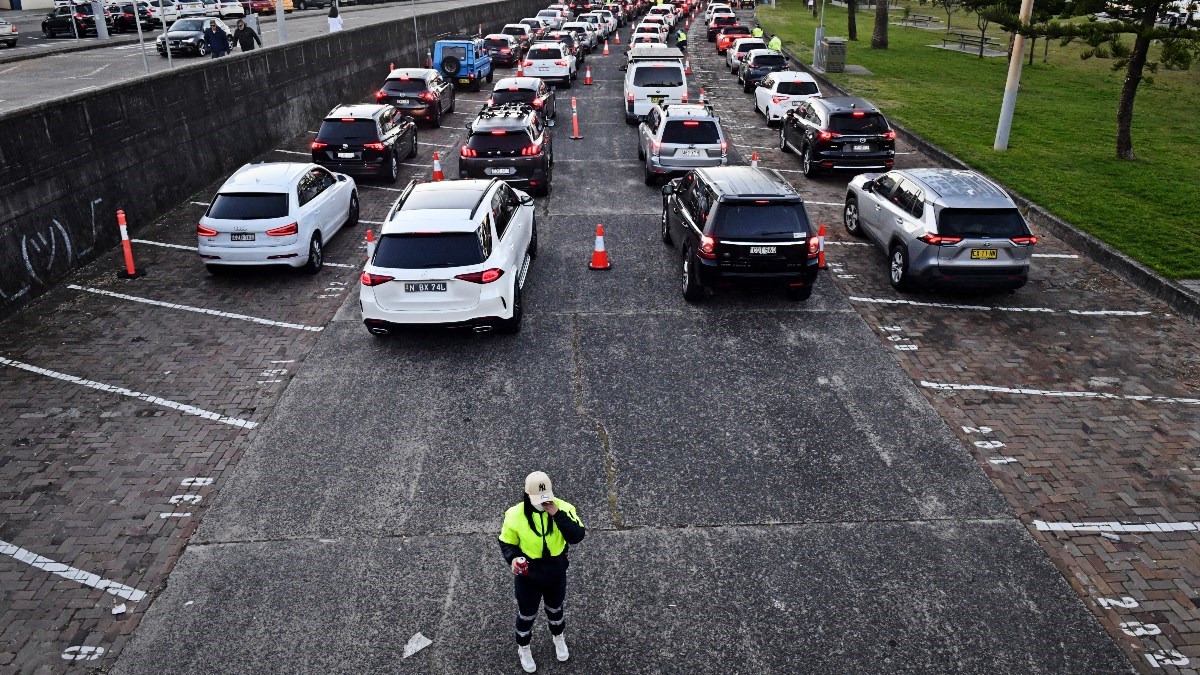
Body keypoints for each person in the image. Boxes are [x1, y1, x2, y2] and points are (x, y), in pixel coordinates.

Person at [498, 471, 586, 674]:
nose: (543, 503)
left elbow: (577, 535)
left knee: (555, 609)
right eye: (538, 500)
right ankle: (524, 647)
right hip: (529, 576)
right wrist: (513, 559)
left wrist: (557, 515)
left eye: (546, 498)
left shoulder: (563, 508)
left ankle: (558, 636)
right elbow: (506, 542)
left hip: (556, 573)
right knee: (526, 615)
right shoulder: (514, 514)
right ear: (527, 495)